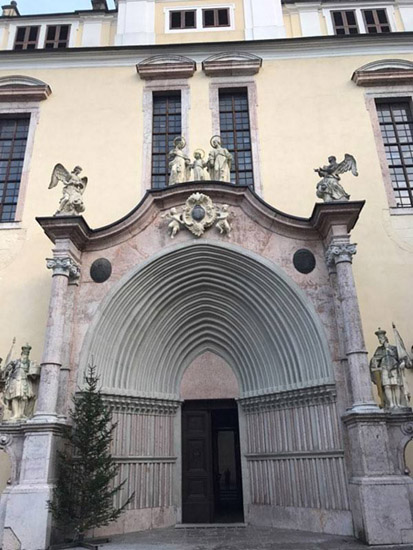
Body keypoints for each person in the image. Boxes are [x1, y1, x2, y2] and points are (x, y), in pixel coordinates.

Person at [370, 327, 410, 409]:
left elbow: (401, 356)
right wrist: (375, 365)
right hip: (384, 368)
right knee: (387, 386)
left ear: (385, 338)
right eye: (379, 339)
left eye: (381, 338)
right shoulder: (379, 350)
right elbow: (375, 360)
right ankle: (391, 404)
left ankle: (398, 403)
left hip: (394, 367)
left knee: (396, 385)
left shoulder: (394, 348)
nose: (380, 340)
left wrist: (402, 362)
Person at [1, 343, 40, 421]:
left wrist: (35, 372)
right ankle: (15, 414)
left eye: (27, 353)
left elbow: (33, 375)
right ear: (22, 353)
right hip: (16, 380)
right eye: (25, 352)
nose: (26, 354)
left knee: (24, 397)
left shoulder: (30, 363)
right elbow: (7, 372)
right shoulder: (15, 362)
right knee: (15, 397)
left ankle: (22, 414)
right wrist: (8, 369)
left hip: (25, 380)